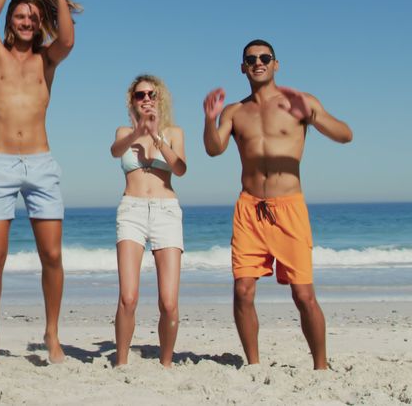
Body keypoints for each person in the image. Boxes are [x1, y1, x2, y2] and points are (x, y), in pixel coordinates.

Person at [202, 39, 353, 370]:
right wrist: (209, 119)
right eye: (251, 59)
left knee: (303, 295)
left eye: (265, 58)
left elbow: (345, 135)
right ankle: (253, 365)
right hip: (249, 208)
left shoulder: (299, 103)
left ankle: (321, 367)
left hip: (289, 208)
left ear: (276, 64)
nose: (258, 62)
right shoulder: (235, 111)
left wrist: (312, 113)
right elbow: (214, 150)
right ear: (243, 67)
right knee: (243, 291)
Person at [0, 0, 82, 366]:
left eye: (32, 18)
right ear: (11, 21)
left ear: (40, 25)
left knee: (52, 255)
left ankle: (52, 335)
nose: (25, 22)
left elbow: (69, 42)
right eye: (20, 16)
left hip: (40, 163)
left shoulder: (46, 61)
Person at [109, 75, 188, 367]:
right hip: (132, 210)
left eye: (150, 94)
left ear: (159, 98)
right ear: (133, 100)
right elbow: (115, 151)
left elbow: (180, 168)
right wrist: (137, 132)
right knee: (128, 297)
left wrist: (156, 136)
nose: (145, 99)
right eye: (140, 95)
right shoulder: (123, 132)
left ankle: (166, 364)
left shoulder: (173, 132)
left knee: (168, 302)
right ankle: (121, 363)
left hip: (166, 210)